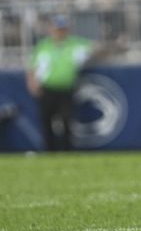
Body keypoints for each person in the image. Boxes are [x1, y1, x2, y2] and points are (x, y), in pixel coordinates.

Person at [25, 14, 93, 151]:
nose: (60, 32)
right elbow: (31, 67)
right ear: (51, 29)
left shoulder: (75, 43)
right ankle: (49, 151)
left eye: (62, 29)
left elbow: (94, 49)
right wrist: (31, 83)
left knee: (66, 121)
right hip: (47, 89)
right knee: (46, 121)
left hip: (66, 89)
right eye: (57, 29)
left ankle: (67, 150)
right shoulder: (43, 45)